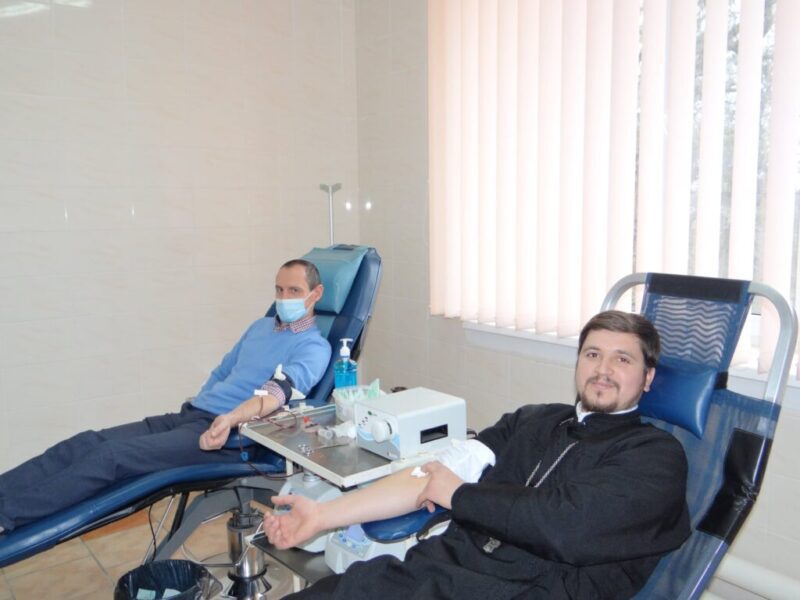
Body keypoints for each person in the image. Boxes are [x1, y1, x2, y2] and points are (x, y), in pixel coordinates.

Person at [264, 310, 691, 599]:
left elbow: (565, 526)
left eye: (622, 360)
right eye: (593, 354)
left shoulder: (655, 456)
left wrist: (460, 496)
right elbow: (431, 477)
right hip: (442, 572)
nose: (603, 370)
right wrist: (323, 515)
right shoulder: (534, 420)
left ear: (647, 378)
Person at [0, 259, 331, 534]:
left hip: (229, 438)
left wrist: (229, 418)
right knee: (85, 442)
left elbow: (276, 395)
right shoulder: (260, 327)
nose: (283, 298)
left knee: (111, 456)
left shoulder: (314, 347)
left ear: (315, 294)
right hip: (192, 415)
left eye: (294, 291)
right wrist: (203, 400)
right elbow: (223, 370)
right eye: (278, 290)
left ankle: (7, 517)